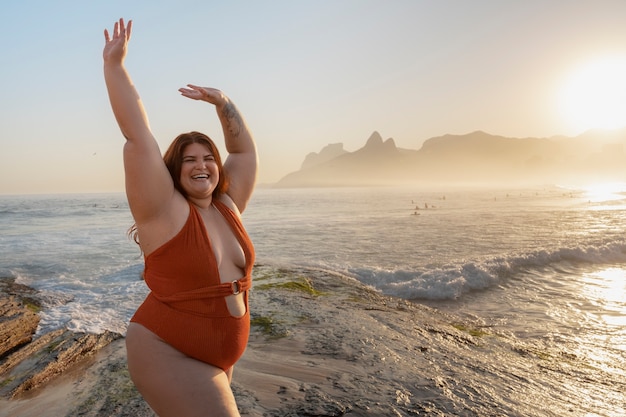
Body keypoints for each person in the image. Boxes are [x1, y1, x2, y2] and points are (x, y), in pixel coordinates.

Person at [103, 18, 257, 417]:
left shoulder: (228, 206)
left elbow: (243, 154)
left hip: (220, 358)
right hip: (166, 348)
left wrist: (223, 103)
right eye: (189, 160)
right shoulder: (162, 210)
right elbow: (137, 136)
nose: (201, 165)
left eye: (208, 158)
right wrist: (115, 66)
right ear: (174, 170)